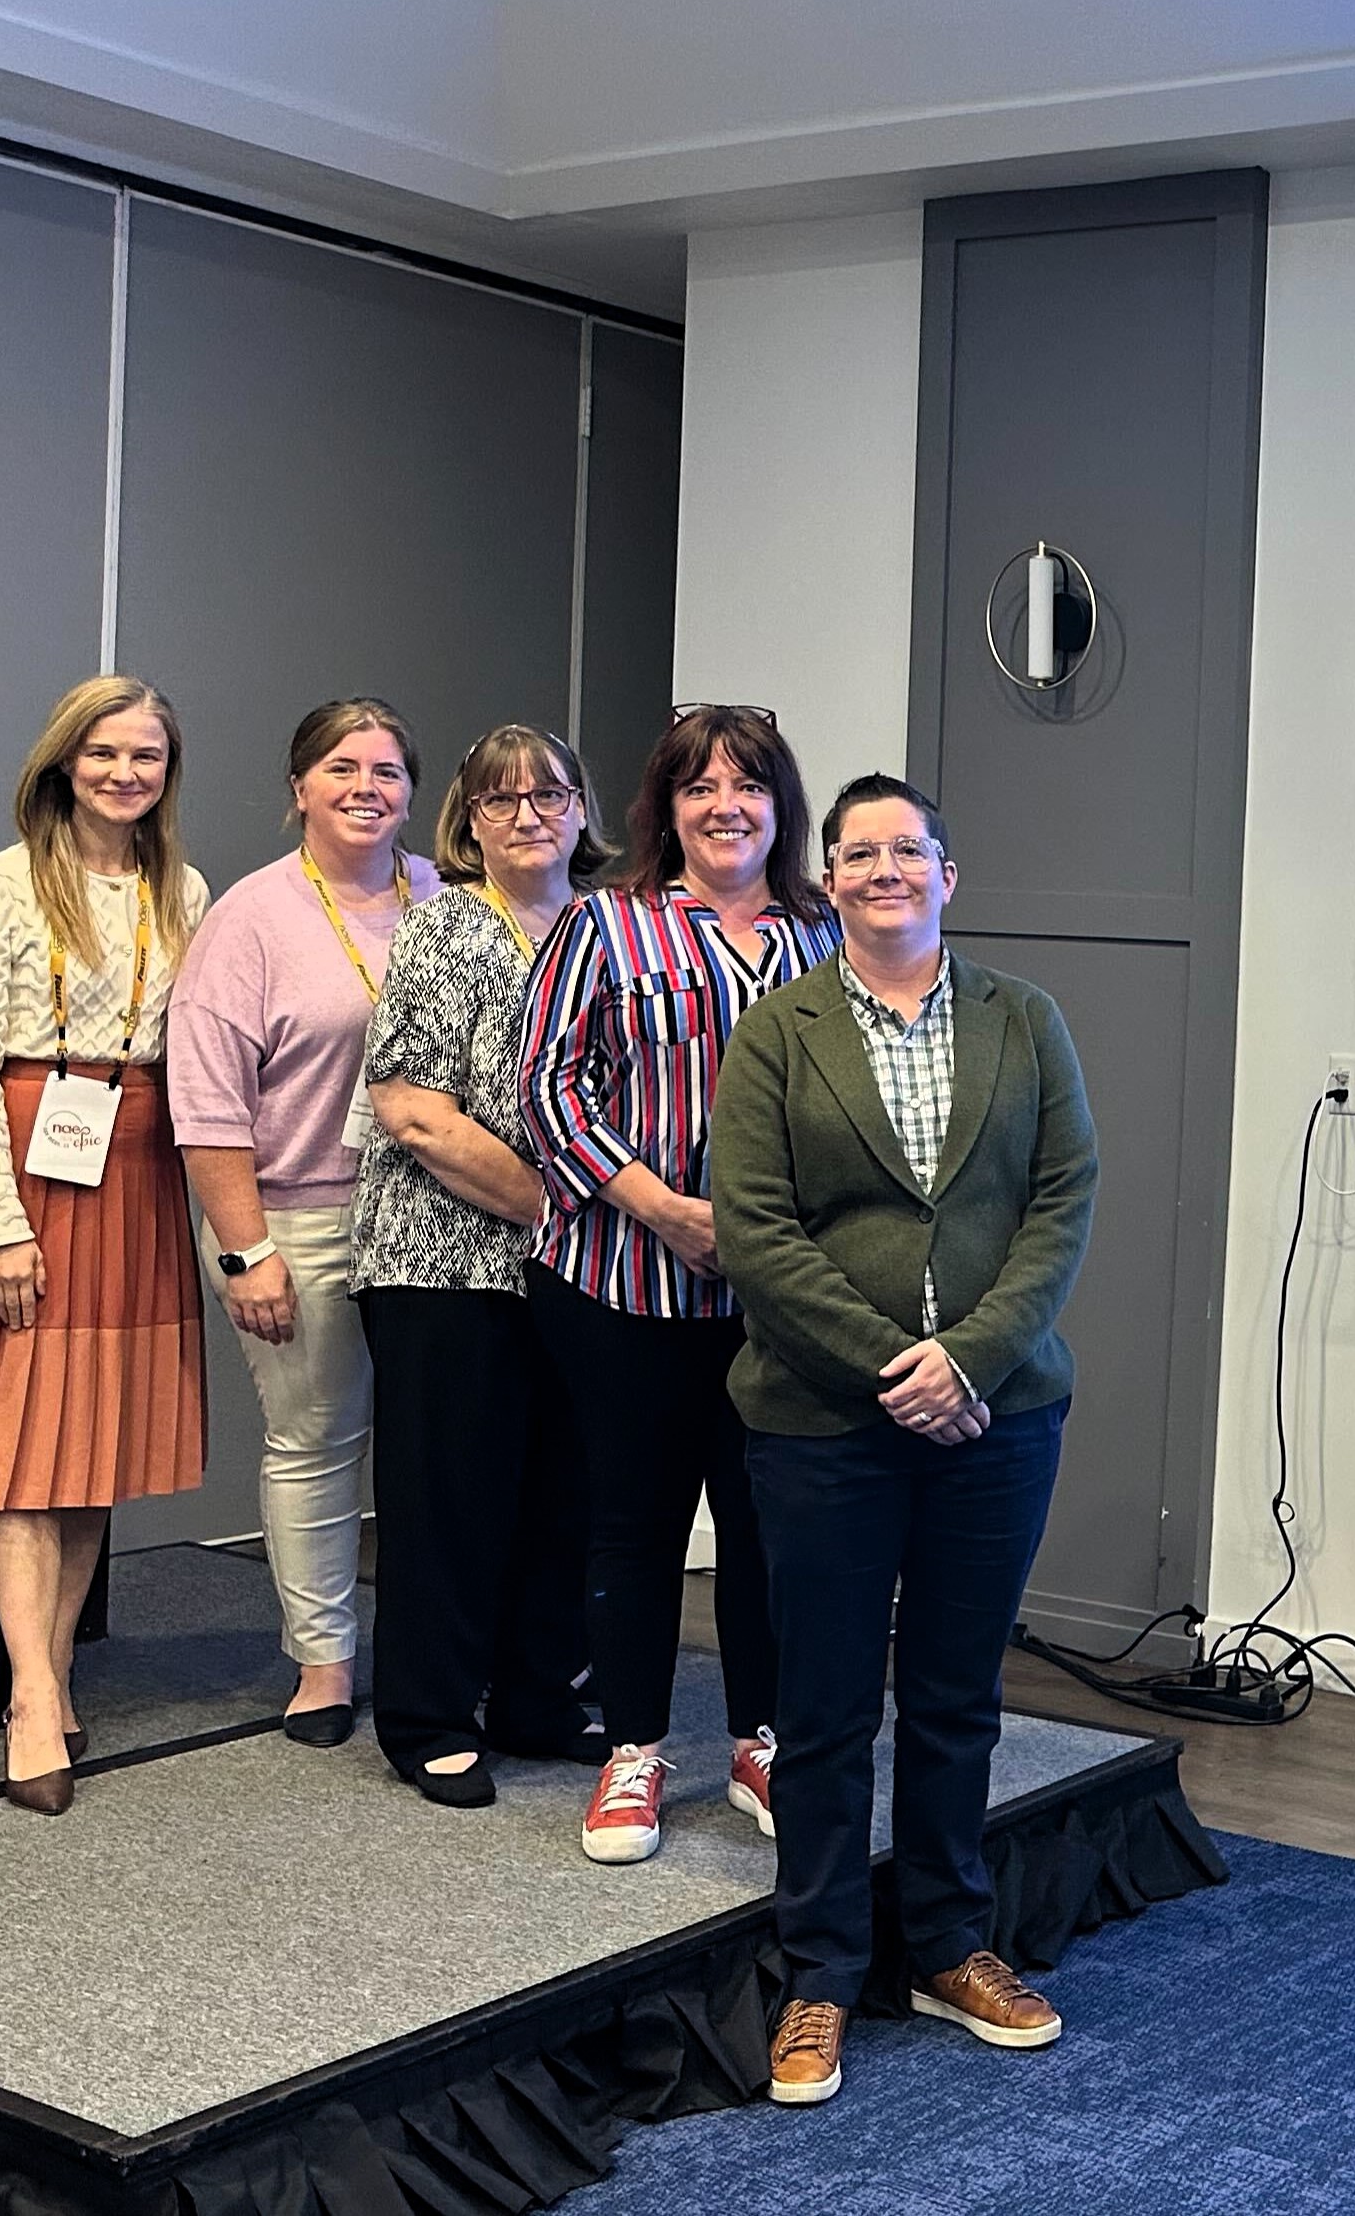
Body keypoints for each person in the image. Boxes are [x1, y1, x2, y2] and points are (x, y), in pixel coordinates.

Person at [708, 772, 1099, 2108]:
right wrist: (897, 1368)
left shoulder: (1022, 1019)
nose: (884, 869)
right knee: (819, 1709)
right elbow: (754, 1229)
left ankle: (943, 1943)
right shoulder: (776, 1033)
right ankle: (819, 1967)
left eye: (907, 849)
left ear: (947, 873)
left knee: (951, 1699)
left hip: (998, 1414)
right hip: (823, 1419)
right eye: (858, 850)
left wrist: (969, 1359)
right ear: (830, 879)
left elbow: (1062, 1199)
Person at [0, 675, 211, 1816]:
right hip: (29, 1162)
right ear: (63, 763)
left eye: (148, 758)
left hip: (135, 1172)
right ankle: (29, 1695)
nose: (126, 773)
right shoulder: (0, 884)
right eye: (105, 753)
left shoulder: (185, 889)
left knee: (92, 1445)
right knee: (24, 1444)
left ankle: (55, 1664)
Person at [519, 704, 840, 1865]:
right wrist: (660, 1205)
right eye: (698, 785)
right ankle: (636, 1752)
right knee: (637, 1527)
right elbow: (549, 1088)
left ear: (778, 807)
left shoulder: (822, 933)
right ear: (665, 805)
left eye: (747, 785)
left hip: (777, 1301)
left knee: (766, 1527)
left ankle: (761, 1740)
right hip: (622, 1283)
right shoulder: (606, 926)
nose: (724, 805)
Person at [169, 698, 439, 1744]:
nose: (365, 785)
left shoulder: (446, 902)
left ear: (413, 791)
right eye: (340, 766)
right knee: (318, 1439)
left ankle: (439, 1648)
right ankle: (322, 1665)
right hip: (298, 1215)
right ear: (299, 789)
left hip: (437, 1219)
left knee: (437, 1449)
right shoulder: (252, 917)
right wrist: (247, 1250)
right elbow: (205, 1101)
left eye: (386, 768)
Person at [350, 726, 610, 1805]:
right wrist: (560, 1207)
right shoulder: (443, 933)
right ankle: (429, 1715)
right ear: (466, 821)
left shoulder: (609, 929)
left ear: (582, 809)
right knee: (446, 1500)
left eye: (547, 794)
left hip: (576, 1270)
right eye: (498, 801)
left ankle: (539, 1696)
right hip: (442, 1261)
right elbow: (411, 1109)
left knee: (562, 1496)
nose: (526, 816)